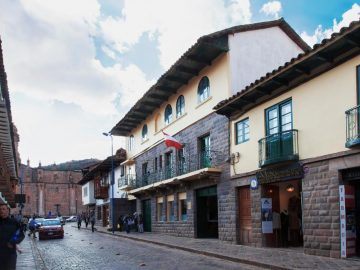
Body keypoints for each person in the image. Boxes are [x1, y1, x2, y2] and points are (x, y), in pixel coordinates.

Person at [0, 203, 25, 270]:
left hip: (10, 254)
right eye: (0, 209)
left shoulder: (14, 222)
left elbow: (20, 234)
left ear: (8, 210)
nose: (1, 211)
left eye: (3, 209)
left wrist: (13, 241)